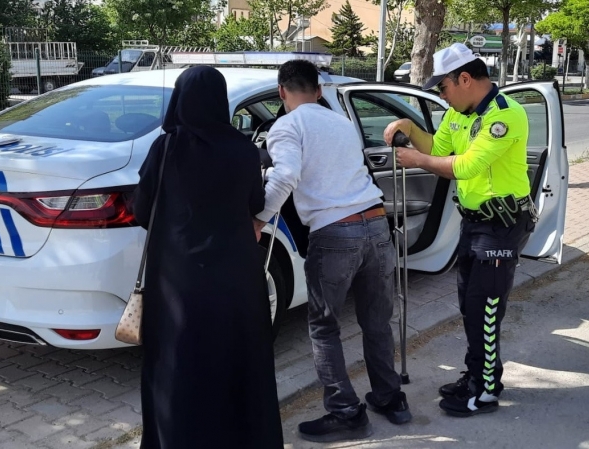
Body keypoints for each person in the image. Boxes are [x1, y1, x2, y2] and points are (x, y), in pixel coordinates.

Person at [253, 59, 412, 444]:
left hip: (334, 233)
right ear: (319, 90)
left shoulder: (287, 125)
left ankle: (345, 412)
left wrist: (257, 220)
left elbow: (285, 175)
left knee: (325, 326)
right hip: (376, 225)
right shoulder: (341, 122)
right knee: (376, 320)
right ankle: (391, 399)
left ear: (282, 92)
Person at [133, 66, 284, 449]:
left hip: (176, 279)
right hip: (235, 276)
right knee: (236, 360)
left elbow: (141, 210)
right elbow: (255, 204)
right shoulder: (243, 149)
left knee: (177, 365)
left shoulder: (165, 148)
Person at [383, 43, 537, 417]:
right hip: (474, 223)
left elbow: (465, 166)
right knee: (471, 307)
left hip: (501, 226)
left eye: (444, 87)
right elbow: (437, 145)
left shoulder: (505, 116)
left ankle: (484, 392)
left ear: (464, 79)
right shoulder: (458, 114)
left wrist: (416, 159)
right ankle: (477, 376)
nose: (441, 95)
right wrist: (408, 127)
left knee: (483, 309)